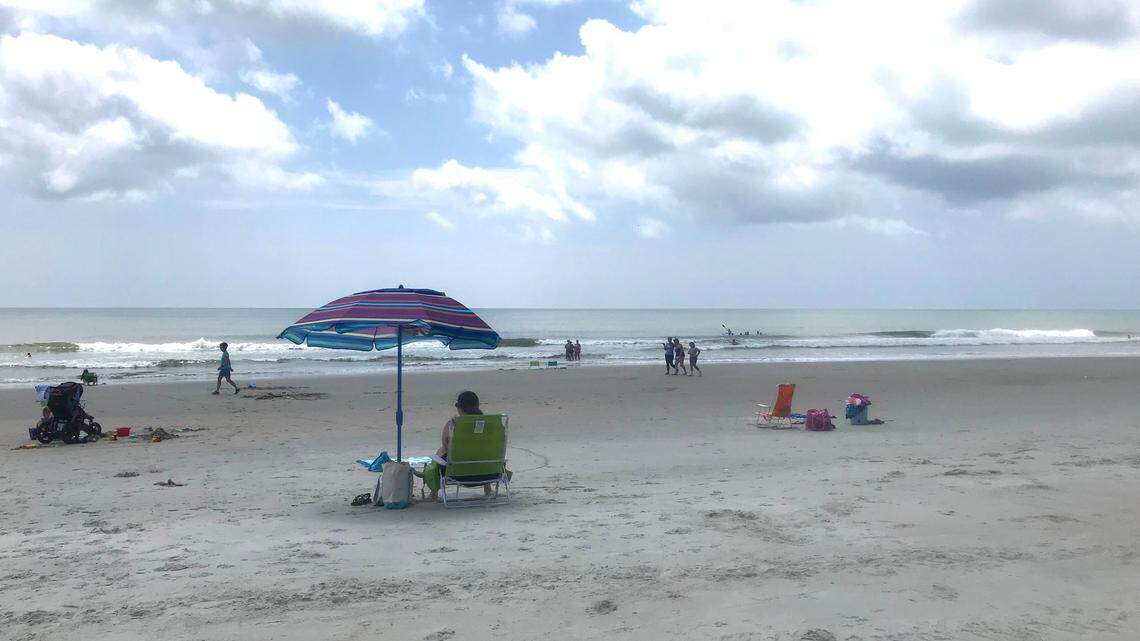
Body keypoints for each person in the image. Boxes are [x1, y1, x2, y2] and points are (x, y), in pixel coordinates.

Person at [430, 391, 492, 501]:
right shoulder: (488, 424)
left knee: (441, 450)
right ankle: (488, 488)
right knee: (482, 452)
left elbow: (445, 445)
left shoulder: (453, 425)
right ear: (477, 406)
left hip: (457, 474)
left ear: (459, 408)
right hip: (488, 473)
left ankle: (433, 493)